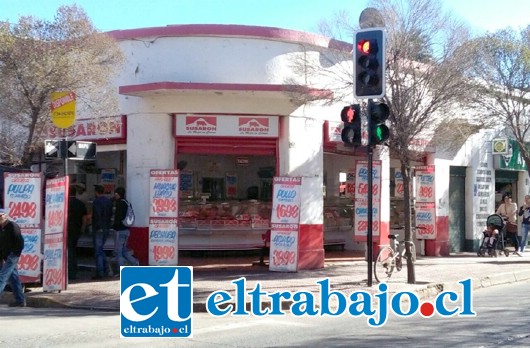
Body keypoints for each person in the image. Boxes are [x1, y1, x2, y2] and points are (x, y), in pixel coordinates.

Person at [0, 209, 26, 307]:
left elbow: (20, 242)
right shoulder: (1, 228)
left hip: (13, 255)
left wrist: (15, 254)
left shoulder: (12, 226)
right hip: (6, 256)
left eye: (1, 216)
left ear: (5, 216)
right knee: (13, 278)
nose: (0, 218)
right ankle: (20, 300)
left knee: (2, 275)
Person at [113, 187, 139, 270]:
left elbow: (118, 217)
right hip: (127, 229)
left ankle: (121, 270)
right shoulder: (127, 202)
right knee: (124, 249)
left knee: (118, 252)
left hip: (119, 230)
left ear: (117, 194)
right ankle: (135, 263)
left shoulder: (119, 203)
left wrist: (114, 226)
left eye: (115, 193)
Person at [92, 185, 113, 279]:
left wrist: (97, 226)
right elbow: (110, 214)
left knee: (98, 251)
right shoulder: (108, 201)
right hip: (106, 227)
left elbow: (97, 214)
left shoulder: (96, 202)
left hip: (99, 228)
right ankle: (105, 268)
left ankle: (101, 271)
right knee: (101, 249)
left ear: (96, 192)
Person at [67, 186, 88, 280]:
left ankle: (71, 271)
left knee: (69, 251)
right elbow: (84, 218)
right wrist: (83, 228)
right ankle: (73, 270)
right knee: (73, 249)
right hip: (76, 230)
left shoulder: (65, 204)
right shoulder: (80, 204)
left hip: (67, 229)